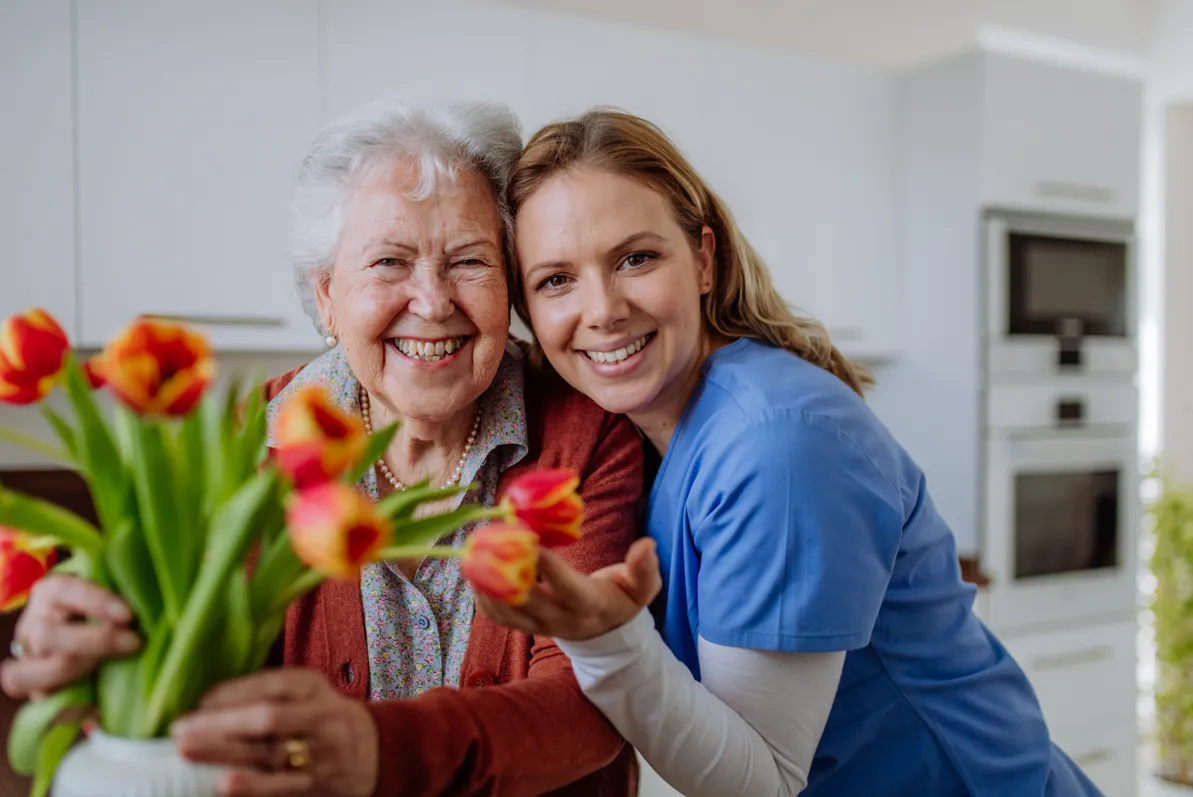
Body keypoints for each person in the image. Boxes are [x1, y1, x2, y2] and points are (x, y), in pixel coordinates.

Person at [0, 100, 645, 797]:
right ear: (327, 297)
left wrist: (376, 748)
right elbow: (184, 657)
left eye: (467, 261)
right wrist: (96, 646)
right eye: (389, 262)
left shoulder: (588, 434)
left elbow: (594, 698)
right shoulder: (252, 441)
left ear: (509, 288)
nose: (431, 301)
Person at [477, 108, 1105, 797]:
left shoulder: (775, 444)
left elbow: (762, 780)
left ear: (704, 261)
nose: (601, 309)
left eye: (636, 258)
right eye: (555, 280)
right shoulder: (642, 431)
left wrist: (605, 640)